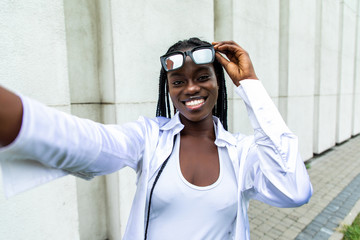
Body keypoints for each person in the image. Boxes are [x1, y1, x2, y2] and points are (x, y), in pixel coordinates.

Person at [0, 38, 312, 240]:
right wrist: (18, 120)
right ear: (169, 88)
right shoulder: (150, 138)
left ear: (219, 83)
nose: (190, 88)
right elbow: (92, 145)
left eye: (203, 77)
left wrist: (250, 85)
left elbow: (294, 190)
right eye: (179, 81)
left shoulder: (242, 153)